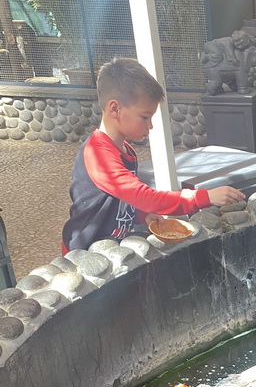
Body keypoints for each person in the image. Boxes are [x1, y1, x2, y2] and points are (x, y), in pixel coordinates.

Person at [62, 58, 244, 252]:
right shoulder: (98, 156)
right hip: (84, 250)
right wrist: (203, 197)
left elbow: (124, 198)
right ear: (115, 109)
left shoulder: (126, 150)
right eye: (144, 117)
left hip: (111, 244)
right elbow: (144, 196)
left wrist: (142, 214)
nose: (150, 126)